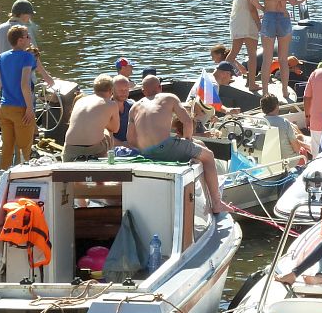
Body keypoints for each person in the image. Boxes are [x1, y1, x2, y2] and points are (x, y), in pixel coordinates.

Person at [126, 75, 225, 213]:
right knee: (208, 156)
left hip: (146, 151)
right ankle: (216, 202)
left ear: (143, 91)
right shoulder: (169, 97)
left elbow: (130, 139)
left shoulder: (134, 107)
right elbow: (187, 122)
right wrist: (188, 140)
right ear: (159, 88)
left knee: (198, 145)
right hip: (165, 147)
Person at [0, 25, 53, 170]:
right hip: (21, 107)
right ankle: (22, 177)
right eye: (27, 36)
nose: (30, 39)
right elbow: (24, 84)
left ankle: (2, 177)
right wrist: (29, 108)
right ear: (20, 40)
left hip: (5, 107)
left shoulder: (2, 57)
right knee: (24, 148)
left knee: (7, 147)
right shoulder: (27, 57)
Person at [251, 0, 305, 100]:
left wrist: (264, 9)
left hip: (269, 18)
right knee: (283, 59)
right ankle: (285, 93)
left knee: (267, 59)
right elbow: (292, 2)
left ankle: (265, 92)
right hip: (283, 18)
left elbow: (253, 1)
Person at [62, 74, 120, 162]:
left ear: (94, 89)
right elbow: (115, 129)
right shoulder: (111, 104)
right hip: (94, 150)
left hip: (71, 149)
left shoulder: (80, 100)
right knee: (108, 131)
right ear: (111, 90)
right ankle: (108, 160)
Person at [228, 0, 262, 90]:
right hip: (247, 23)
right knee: (252, 54)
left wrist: (262, 10)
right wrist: (258, 23)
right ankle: (251, 83)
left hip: (237, 21)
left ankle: (219, 75)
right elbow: (251, 8)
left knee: (233, 53)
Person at [260, 93, 310, 162]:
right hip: (288, 162)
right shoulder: (284, 122)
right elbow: (297, 148)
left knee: (299, 137)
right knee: (302, 150)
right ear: (276, 106)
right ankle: (305, 167)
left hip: (268, 161)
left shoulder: (259, 122)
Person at [111, 74, 134, 146]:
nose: (124, 93)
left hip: (131, 144)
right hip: (113, 147)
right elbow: (105, 135)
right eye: (120, 90)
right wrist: (124, 145)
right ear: (112, 90)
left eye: (126, 90)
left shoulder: (132, 105)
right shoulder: (106, 108)